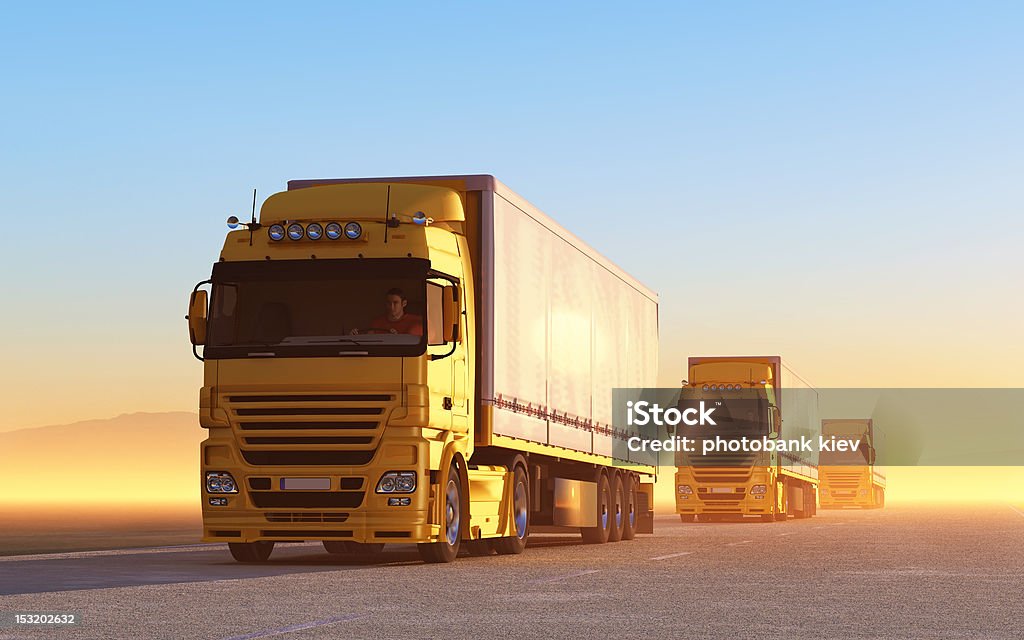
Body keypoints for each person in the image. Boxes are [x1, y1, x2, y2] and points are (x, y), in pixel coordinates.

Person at [351, 288, 423, 336]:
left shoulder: (416, 321)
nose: (391, 307)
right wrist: (356, 337)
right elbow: (369, 341)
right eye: (389, 303)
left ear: (404, 303)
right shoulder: (377, 322)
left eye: (395, 303)